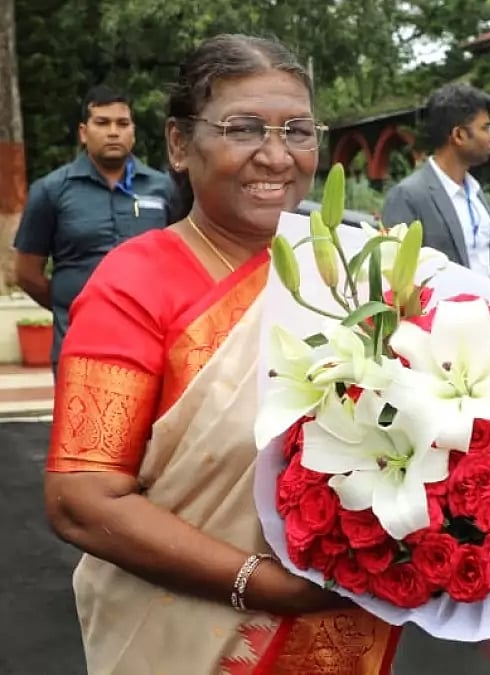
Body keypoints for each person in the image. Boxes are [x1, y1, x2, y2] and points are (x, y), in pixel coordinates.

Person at [42, 35, 400, 674]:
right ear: (180, 146)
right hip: (190, 637)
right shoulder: (136, 283)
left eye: (297, 130)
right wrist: (265, 586)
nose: (276, 155)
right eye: (243, 129)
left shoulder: (348, 271)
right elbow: (83, 500)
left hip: (346, 631)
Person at [14, 85, 175, 373]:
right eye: (102, 122)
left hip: (152, 345)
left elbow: (182, 260)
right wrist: (75, 306)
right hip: (78, 348)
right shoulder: (51, 191)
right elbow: (27, 273)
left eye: (122, 123)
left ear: (133, 132)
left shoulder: (163, 189)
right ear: (83, 132)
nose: (113, 131)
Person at [381, 83, 490, 278]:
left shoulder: (474, 191)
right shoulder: (408, 196)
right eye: (486, 128)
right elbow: (393, 276)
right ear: (458, 135)